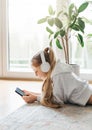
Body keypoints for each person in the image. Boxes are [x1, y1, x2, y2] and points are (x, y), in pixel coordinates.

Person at [22, 47, 92, 108]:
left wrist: (35, 98)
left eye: (36, 71)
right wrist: (33, 94)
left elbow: (56, 100)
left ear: (45, 67)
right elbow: (52, 95)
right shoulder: (57, 70)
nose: (36, 75)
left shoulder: (57, 76)